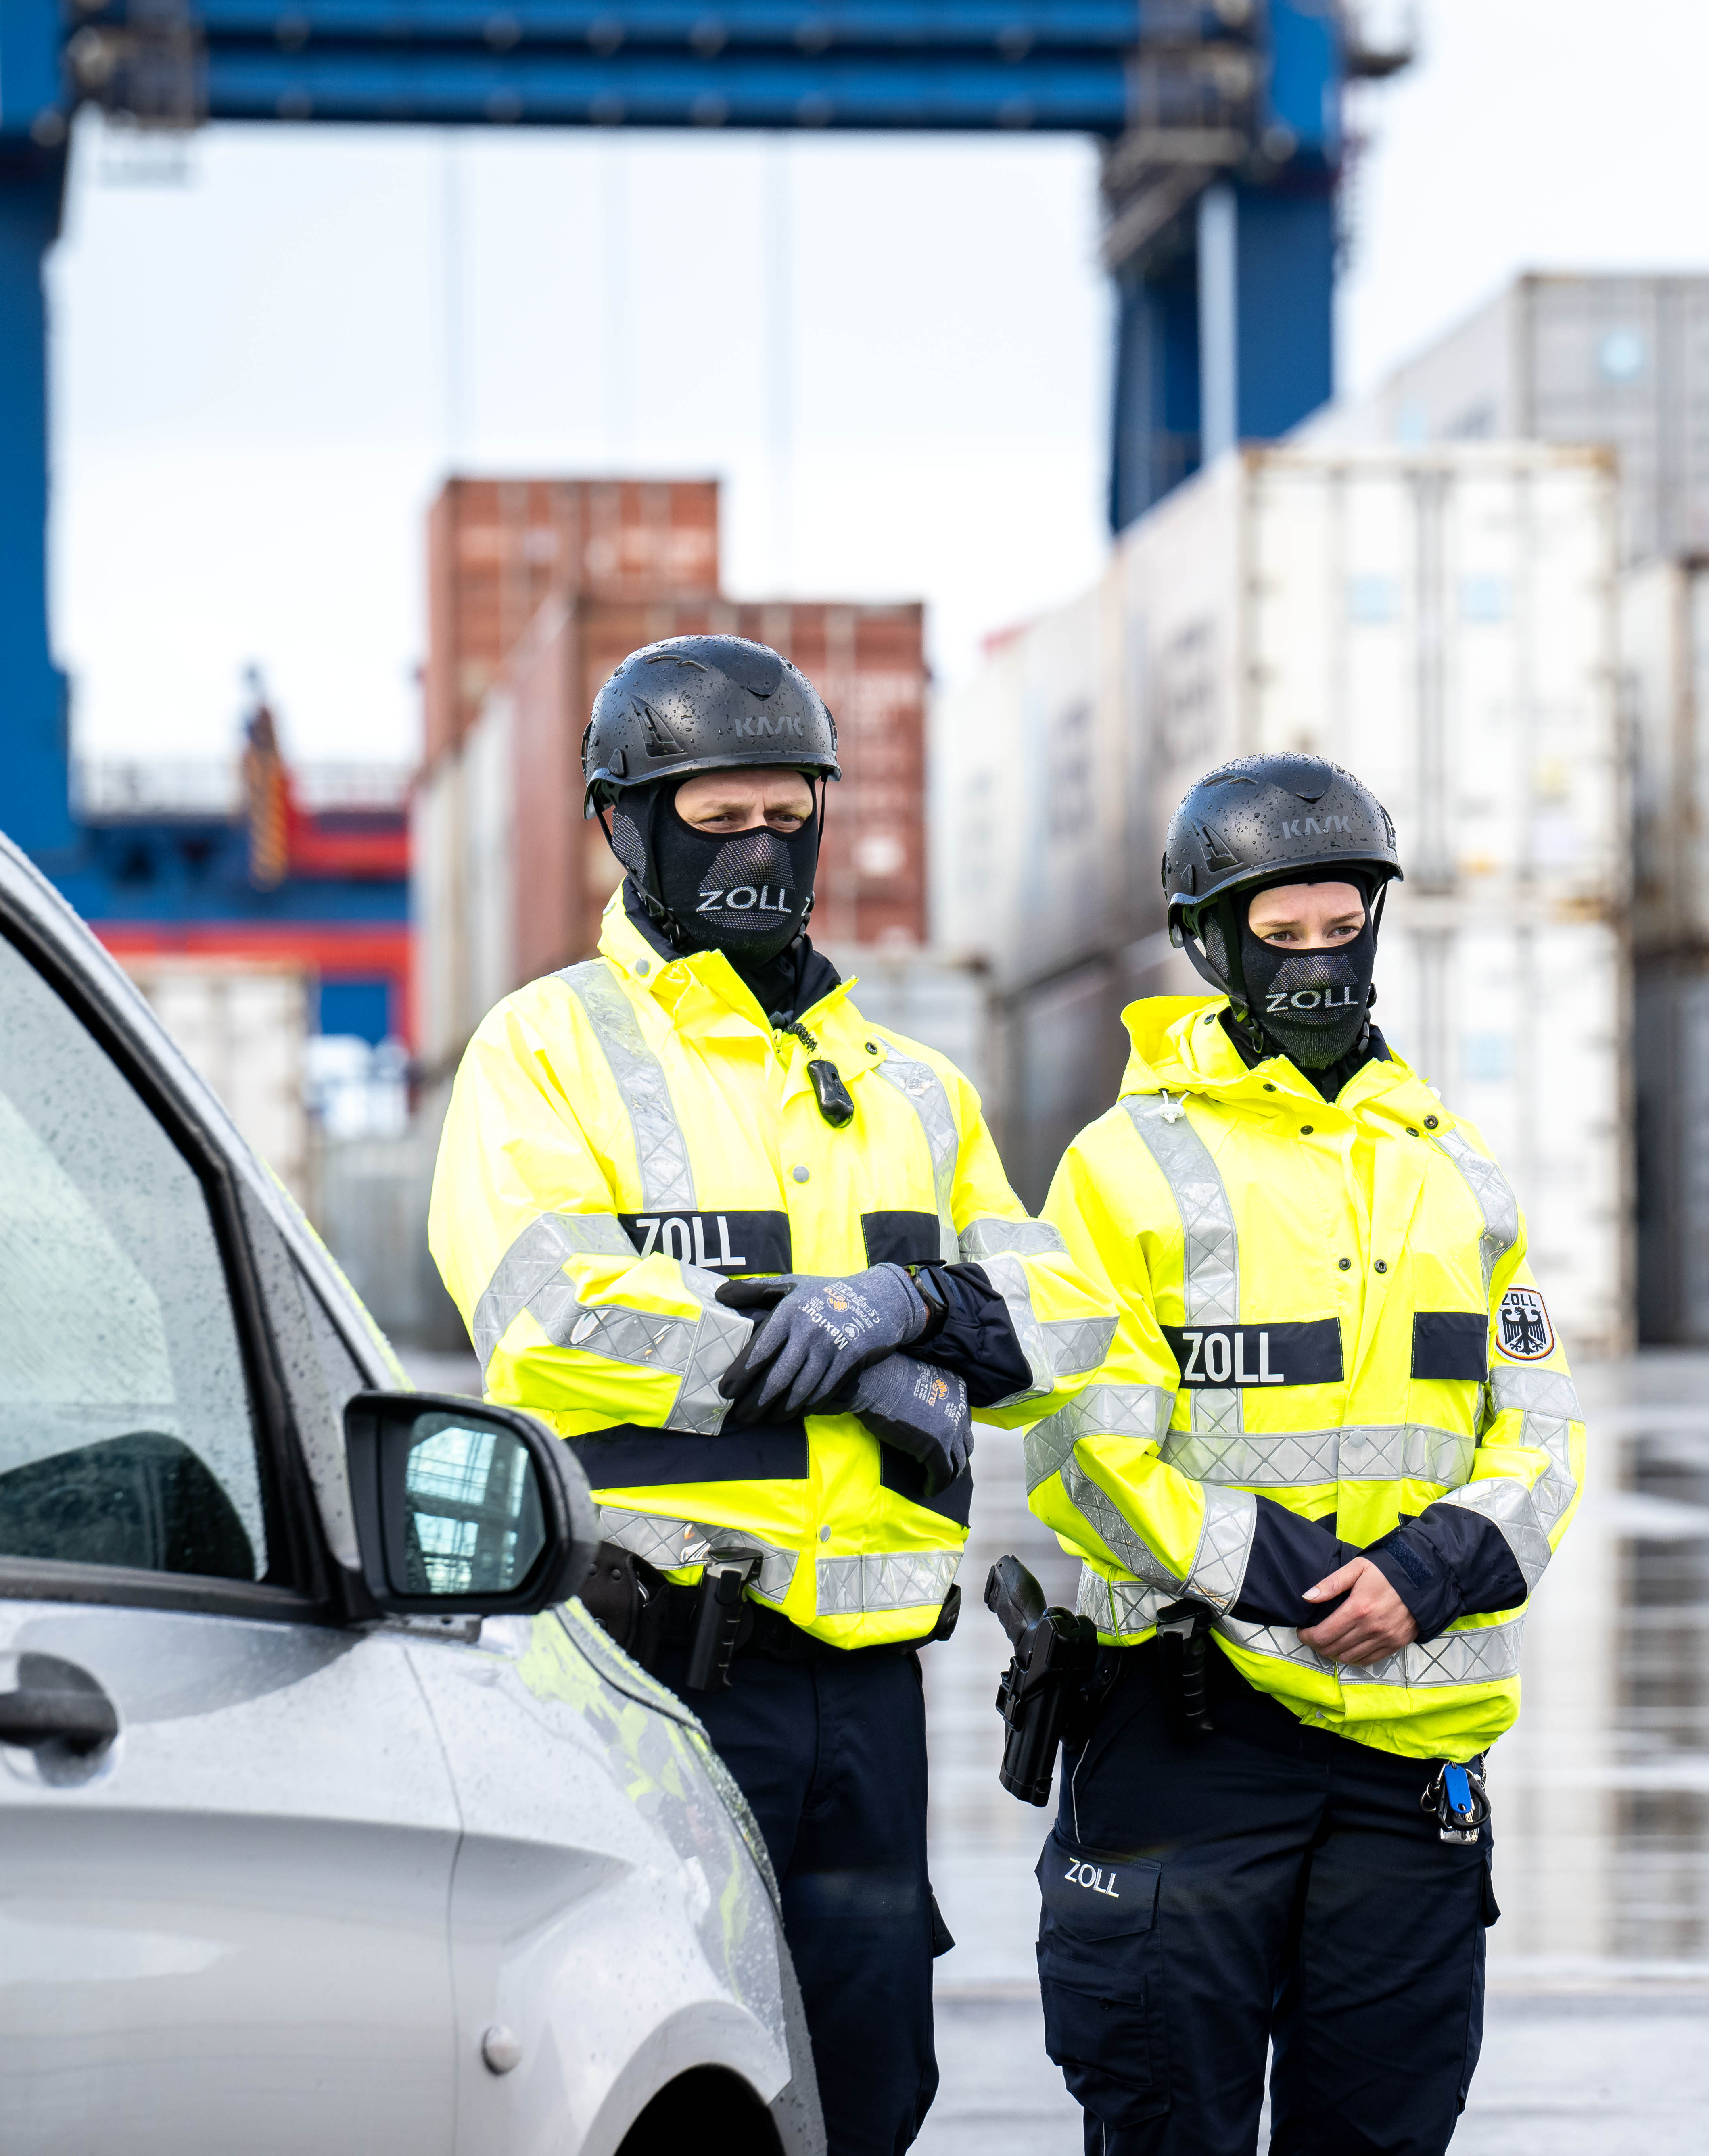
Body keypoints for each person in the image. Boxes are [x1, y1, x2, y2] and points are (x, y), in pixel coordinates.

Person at [429, 633, 1168, 2155]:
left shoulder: (912, 1085)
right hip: (653, 1682)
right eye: (716, 820)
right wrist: (853, 1354)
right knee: (663, 2073)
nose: (759, 849)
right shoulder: (545, 1051)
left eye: (788, 814)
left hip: (867, 1695)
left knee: (872, 2078)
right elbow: (551, 1306)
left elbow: (1070, 1316)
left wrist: (917, 1298)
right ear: (624, 823)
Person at [1020, 753, 1587, 2156]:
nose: (1320, 964)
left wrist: (1429, 1571)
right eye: (1282, 937)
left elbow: (1541, 1426)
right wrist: (1305, 1579)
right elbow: (1092, 1451)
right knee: (1167, 2126)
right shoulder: (1121, 1167)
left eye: (1344, 928)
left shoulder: (1456, 1166)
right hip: (1190, 1734)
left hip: (1410, 1753)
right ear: (1209, 941)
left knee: (1383, 2133)